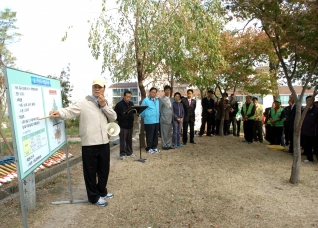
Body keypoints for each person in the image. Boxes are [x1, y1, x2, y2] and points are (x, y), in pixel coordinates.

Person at [49, 78, 117, 207]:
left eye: (99, 87)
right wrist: (59, 112)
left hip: (104, 142)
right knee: (90, 172)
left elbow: (113, 117)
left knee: (104, 170)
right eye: (94, 87)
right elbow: (69, 111)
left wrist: (104, 106)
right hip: (89, 143)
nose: (97, 89)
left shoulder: (105, 102)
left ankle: (102, 191)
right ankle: (94, 197)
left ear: (104, 89)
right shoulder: (83, 103)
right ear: (92, 88)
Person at [114, 90, 136, 160]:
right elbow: (115, 115)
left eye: (130, 97)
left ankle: (129, 152)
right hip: (122, 125)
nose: (128, 98)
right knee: (123, 140)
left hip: (130, 124)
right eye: (127, 97)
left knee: (129, 139)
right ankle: (122, 153)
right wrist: (121, 120)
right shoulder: (119, 104)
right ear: (124, 96)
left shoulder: (131, 103)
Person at [140, 87, 160, 154]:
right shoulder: (145, 100)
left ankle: (154, 147)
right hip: (149, 121)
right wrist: (146, 116)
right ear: (149, 92)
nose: (153, 93)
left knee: (155, 135)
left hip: (156, 121)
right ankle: (149, 148)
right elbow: (141, 110)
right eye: (152, 92)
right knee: (149, 135)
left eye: (155, 92)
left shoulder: (157, 100)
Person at [301, 96, 318, 163]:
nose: (308, 101)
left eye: (309, 100)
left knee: (316, 146)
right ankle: (309, 158)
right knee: (306, 145)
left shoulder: (316, 110)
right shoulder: (304, 109)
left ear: (313, 101)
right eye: (307, 100)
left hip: (313, 132)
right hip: (305, 131)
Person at [159, 85, 174, 150]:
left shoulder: (170, 99)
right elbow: (159, 109)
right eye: (166, 90)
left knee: (169, 133)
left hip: (170, 119)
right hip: (164, 119)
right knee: (164, 133)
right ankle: (164, 145)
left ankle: (168, 144)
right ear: (164, 91)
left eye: (169, 90)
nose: (168, 91)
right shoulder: (161, 99)